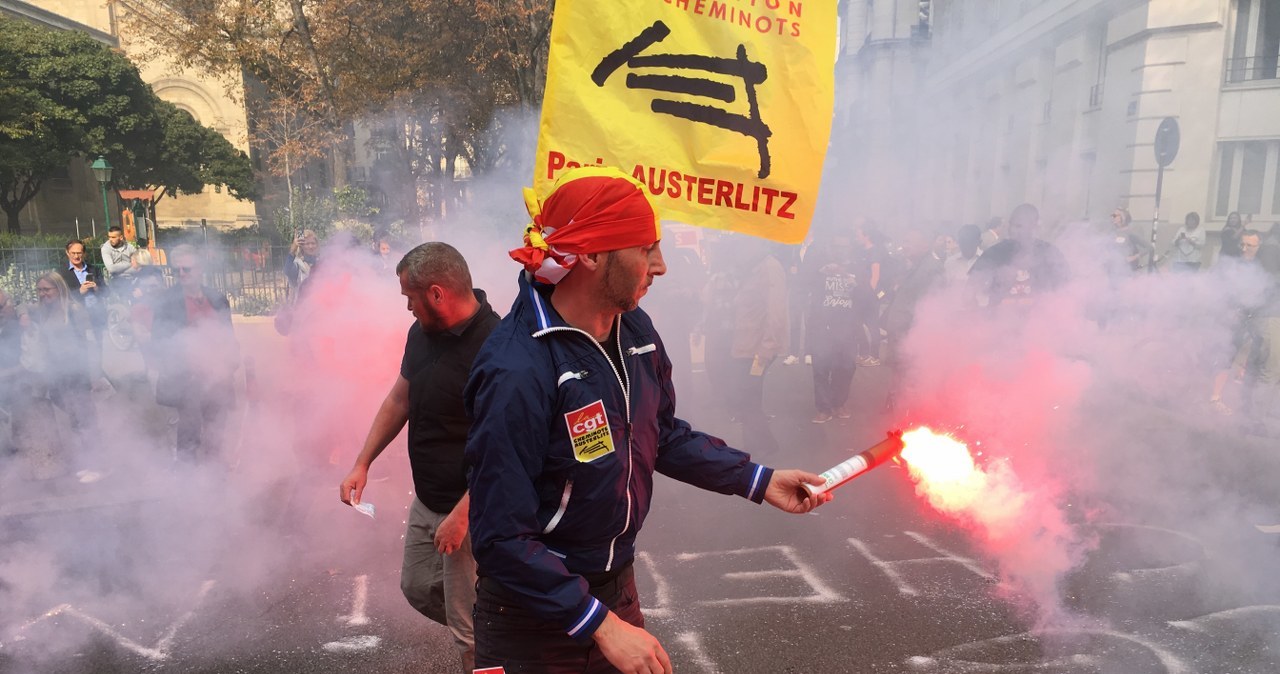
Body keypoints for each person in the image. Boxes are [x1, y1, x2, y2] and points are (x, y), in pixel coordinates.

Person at [465, 167, 830, 673]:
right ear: (590, 254)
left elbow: (663, 432)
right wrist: (601, 626)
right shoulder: (516, 368)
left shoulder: (633, 325)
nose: (661, 265)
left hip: (613, 590)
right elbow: (500, 538)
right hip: (529, 621)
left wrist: (758, 480)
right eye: (645, 248)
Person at [338, 242, 499, 673]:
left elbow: (507, 450)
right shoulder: (422, 334)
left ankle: (499, 647)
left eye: (410, 296)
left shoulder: (496, 350)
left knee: (469, 633)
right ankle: (507, 632)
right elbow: (399, 400)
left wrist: (464, 515)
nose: (407, 306)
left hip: (471, 509)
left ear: (436, 294)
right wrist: (362, 462)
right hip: (428, 501)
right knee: (417, 586)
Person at [148, 245, 240, 462]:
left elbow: (228, 334)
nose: (181, 274)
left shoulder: (216, 298)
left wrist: (231, 362)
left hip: (217, 376)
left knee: (216, 429)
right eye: (176, 270)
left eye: (186, 269)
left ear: (199, 270)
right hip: (186, 379)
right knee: (188, 433)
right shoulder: (167, 302)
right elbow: (159, 341)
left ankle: (213, 474)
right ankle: (187, 481)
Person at [968, 203, 1069, 309]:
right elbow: (970, 289)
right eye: (1011, 225)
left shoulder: (1049, 254)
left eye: (1019, 226)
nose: (1012, 230)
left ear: (1033, 227)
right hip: (999, 322)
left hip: (1039, 321)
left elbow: (1066, 289)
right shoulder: (994, 253)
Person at [806, 230, 859, 423]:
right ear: (830, 248)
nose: (840, 250)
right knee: (821, 367)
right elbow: (803, 284)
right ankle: (823, 407)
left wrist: (850, 277)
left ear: (850, 248)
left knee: (845, 367)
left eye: (843, 247)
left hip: (848, 328)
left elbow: (867, 296)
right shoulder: (819, 267)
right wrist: (818, 273)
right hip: (822, 326)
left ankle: (839, 402)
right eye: (836, 246)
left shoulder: (857, 267)